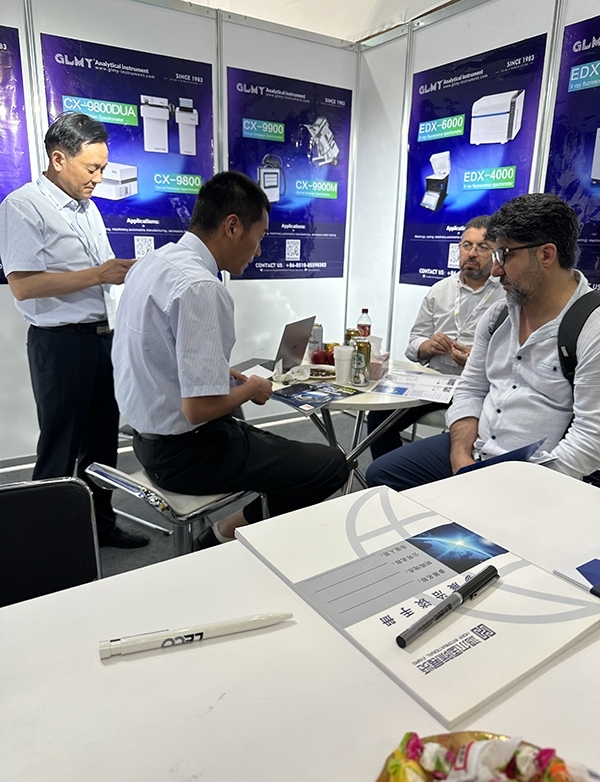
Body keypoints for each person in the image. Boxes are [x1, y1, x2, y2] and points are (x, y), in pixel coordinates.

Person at [112, 170, 349, 547]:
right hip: (188, 455)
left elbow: (158, 351)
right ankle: (223, 534)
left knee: (270, 443)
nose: (259, 251)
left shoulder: (152, 264)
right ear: (233, 227)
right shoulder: (201, 287)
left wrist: (219, 372)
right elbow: (199, 409)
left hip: (146, 441)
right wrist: (252, 388)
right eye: (260, 237)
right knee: (331, 466)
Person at [366, 193, 600, 491]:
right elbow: (471, 389)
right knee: (382, 474)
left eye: (505, 255)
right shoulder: (499, 315)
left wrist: (511, 488)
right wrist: (460, 458)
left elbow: (590, 438)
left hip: (540, 470)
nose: (496, 269)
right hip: (478, 448)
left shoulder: (591, 326)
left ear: (546, 255)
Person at [0, 113, 148, 548]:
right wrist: (99, 274)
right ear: (59, 159)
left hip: (103, 338)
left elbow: (100, 274)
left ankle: (100, 525)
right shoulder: (23, 206)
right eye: (92, 168)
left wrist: (123, 275)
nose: (99, 178)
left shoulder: (89, 209)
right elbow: (24, 285)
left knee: (102, 444)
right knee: (60, 446)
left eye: (103, 168)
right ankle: (48, 543)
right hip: (60, 344)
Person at [367, 216, 504, 458]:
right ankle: (391, 475)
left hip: (480, 388)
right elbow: (414, 342)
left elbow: (515, 356)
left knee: (465, 439)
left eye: (482, 247)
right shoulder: (440, 290)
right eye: (467, 245)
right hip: (435, 382)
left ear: (496, 254)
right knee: (379, 418)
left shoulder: (506, 295)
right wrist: (428, 346)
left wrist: (477, 358)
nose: (472, 253)